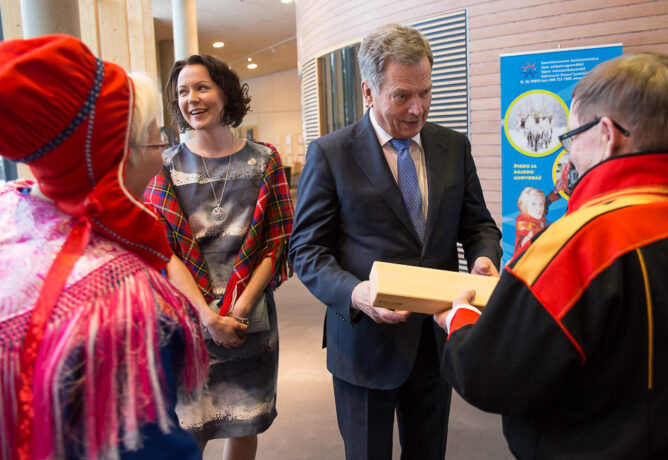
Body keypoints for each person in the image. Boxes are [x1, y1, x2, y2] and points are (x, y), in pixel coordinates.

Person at [436, 52, 668, 459]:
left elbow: (490, 376)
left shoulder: (574, 244)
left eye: (571, 137)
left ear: (606, 134)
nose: (568, 155)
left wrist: (460, 320)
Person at [289, 23, 502, 459]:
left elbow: (479, 225)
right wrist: (357, 293)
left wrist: (484, 259)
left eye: (425, 93)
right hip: (365, 345)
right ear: (368, 92)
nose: (417, 109)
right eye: (402, 95)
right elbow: (306, 251)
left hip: (435, 340)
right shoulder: (331, 154)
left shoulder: (453, 146)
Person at [0, 34, 208, 460]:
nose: (161, 154)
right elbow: (147, 449)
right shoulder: (124, 303)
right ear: (119, 157)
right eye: (155, 139)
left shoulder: (11, 208)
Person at [144, 53, 294, 460]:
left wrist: (241, 309)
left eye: (202, 87)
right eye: (183, 91)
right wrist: (208, 317)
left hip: (252, 319)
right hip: (190, 322)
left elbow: (277, 240)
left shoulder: (264, 159)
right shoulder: (165, 165)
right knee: (190, 429)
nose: (192, 98)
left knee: (245, 422)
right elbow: (162, 249)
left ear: (225, 93)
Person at [513, 186, 549, 254]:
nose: (539, 208)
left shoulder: (537, 217)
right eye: (533, 204)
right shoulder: (523, 219)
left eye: (541, 204)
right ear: (525, 206)